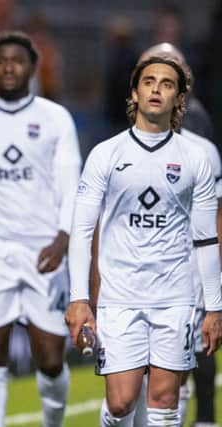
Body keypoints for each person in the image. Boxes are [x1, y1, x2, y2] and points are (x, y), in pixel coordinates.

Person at [66, 56, 222, 427]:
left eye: (167, 83)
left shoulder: (195, 157)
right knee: (121, 405)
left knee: (165, 401)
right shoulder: (106, 153)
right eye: (148, 81)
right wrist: (79, 299)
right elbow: (83, 230)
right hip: (120, 297)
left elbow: (206, 237)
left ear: (178, 98)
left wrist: (214, 307)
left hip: (175, 298)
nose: (156, 89)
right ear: (135, 93)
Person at [0, 31, 81, 427]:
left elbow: (73, 184)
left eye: (17, 60)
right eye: (1, 60)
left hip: (44, 250)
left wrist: (64, 238)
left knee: (50, 358)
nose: (9, 67)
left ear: (32, 67)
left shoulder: (55, 119)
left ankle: (53, 422)